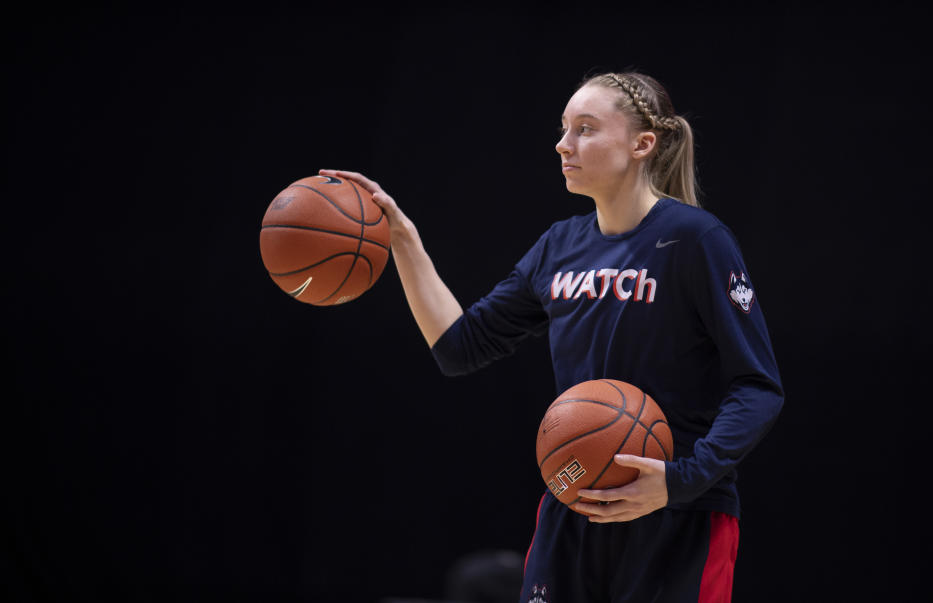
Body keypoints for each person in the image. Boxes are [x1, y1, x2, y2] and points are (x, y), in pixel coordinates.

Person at [319, 70, 783, 603]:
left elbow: (757, 386)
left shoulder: (696, 239)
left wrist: (681, 478)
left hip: (679, 510)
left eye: (585, 129)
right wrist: (404, 242)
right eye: (564, 128)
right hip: (575, 500)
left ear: (642, 144)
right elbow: (459, 347)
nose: (564, 144)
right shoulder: (559, 246)